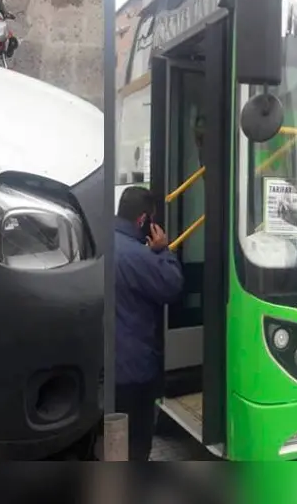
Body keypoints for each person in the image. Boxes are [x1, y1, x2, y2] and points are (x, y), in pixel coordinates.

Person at [113, 186, 185, 461]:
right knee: (136, 442)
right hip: (135, 372)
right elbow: (172, 286)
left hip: (108, 369)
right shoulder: (140, 257)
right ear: (143, 220)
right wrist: (163, 250)